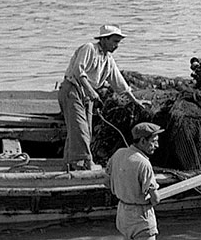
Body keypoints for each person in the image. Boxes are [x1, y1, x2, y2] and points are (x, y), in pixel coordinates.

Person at [59, 24, 146, 171]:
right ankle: (85, 163)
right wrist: (91, 91)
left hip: (87, 96)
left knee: (85, 130)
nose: (116, 45)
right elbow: (78, 71)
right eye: (114, 41)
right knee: (80, 130)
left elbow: (119, 83)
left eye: (118, 42)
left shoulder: (108, 59)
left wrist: (134, 100)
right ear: (104, 39)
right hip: (72, 91)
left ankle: (70, 163)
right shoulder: (89, 49)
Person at [105, 121, 163, 240]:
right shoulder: (143, 163)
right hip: (141, 216)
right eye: (154, 141)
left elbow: (106, 181)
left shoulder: (118, 154)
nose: (156, 146)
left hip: (123, 212)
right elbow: (155, 199)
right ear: (143, 141)